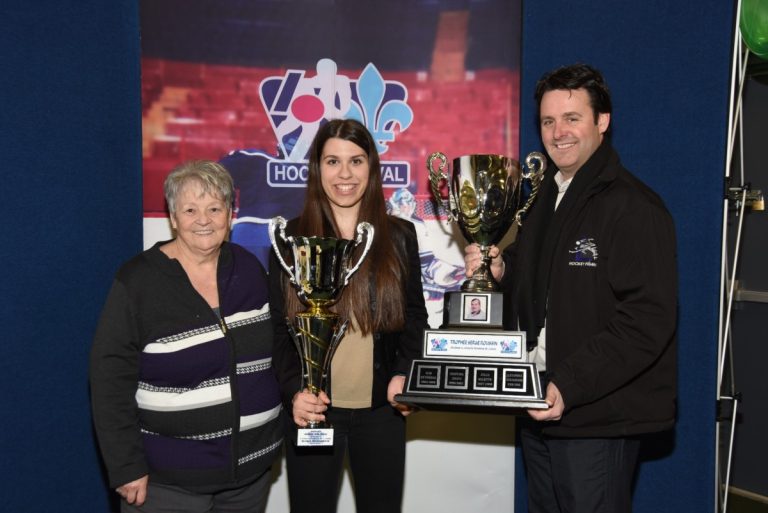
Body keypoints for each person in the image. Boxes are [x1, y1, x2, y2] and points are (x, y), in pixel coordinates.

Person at [465, 64, 677, 513]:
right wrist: (500, 269)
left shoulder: (633, 207)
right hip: (540, 406)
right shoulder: (545, 198)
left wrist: (569, 383)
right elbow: (538, 280)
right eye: (548, 121)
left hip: (596, 416)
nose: (558, 132)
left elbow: (646, 320)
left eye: (572, 118)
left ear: (602, 121)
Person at [90, 160, 283, 513]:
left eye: (214, 208)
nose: (204, 220)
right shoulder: (138, 281)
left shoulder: (250, 269)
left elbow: (274, 353)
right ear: (173, 217)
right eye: (190, 209)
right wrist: (125, 466)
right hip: (168, 482)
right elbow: (109, 379)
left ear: (230, 213)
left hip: (249, 476)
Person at [270, 118, 429, 513]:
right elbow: (276, 331)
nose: (345, 174)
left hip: (381, 414)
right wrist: (294, 391)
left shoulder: (400, 236)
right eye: (332, 162)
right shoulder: (290, 242)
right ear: (316, 169)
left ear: (372, 168)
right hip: (313, 414)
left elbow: (414, 318)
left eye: (356, 161)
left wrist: (404, 376)